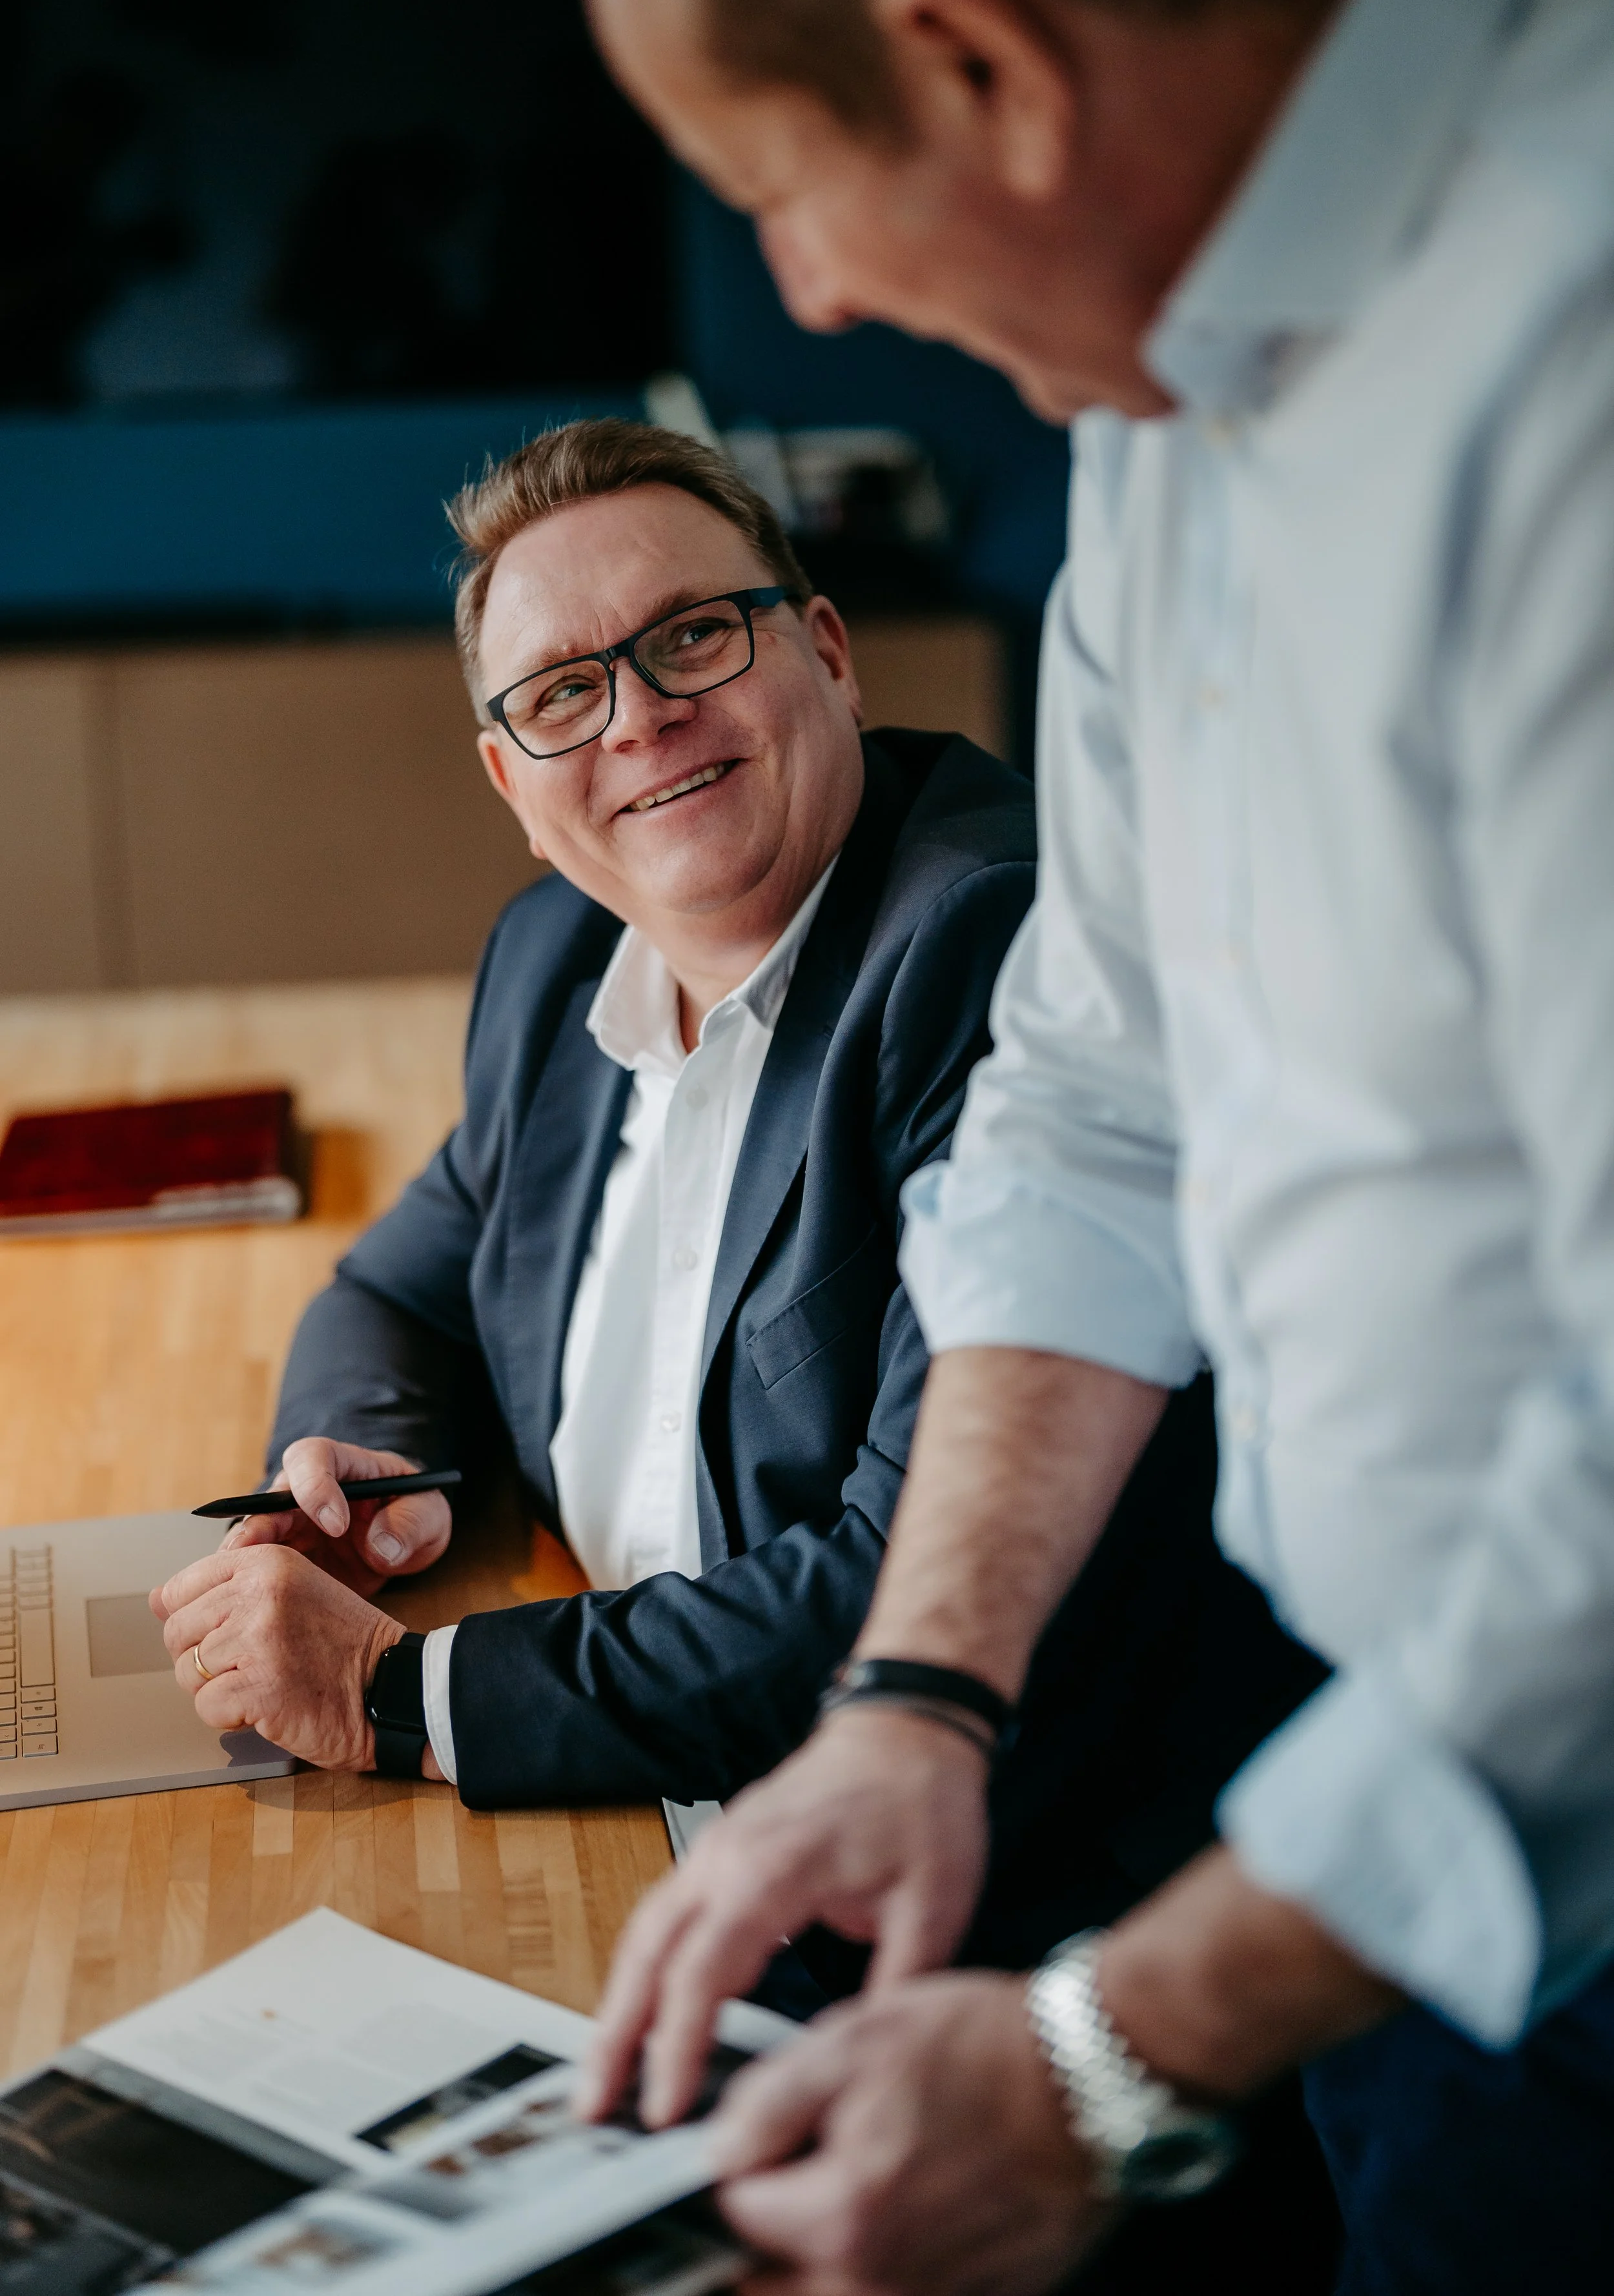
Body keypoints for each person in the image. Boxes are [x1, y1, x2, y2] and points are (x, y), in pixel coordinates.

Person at [560, 0, 1614, 2290]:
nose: (812, 288)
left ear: (980, 71)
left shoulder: (1572, 347)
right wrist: (916, 1695)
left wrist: (1110, 2055)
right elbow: (1099, 1098)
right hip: (1379, 1826)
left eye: (781, 183)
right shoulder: (1167, 382)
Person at [150, 422, 1324, 2061]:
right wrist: (368, 1478)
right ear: (510, 781)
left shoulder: (988, 950)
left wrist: (395, 1693)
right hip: (633, 1826)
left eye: (693, 636)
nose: (638, 717)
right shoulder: (560, 955)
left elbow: (904, 1581)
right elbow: (397, 1290)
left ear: (825, 651)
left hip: (955, 1944)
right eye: (562, 693)